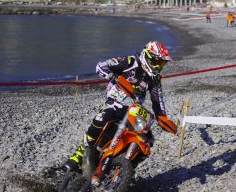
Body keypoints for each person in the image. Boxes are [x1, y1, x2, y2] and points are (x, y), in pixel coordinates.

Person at [63, 41, 178, 172]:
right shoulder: (129, 61)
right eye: (157, 62)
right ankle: (79, 154)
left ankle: (126, 170)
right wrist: (115, 77)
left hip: (133, 109)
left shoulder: (155, 79)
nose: (159, 66)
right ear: (147, 56)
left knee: (148, 139)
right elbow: (101, 66)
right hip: (116, 100)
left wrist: (162, 118)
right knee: (104, 115)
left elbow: (158, 100)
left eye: (162, 63)